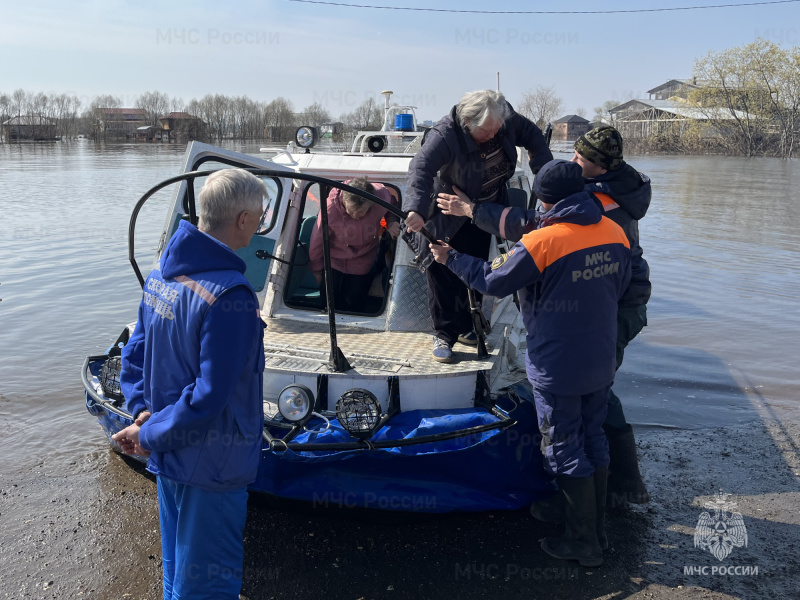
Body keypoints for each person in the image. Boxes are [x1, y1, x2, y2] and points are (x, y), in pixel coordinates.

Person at [430, 159, 631, 567]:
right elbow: (625, 283)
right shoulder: (614, 231)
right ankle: (596, 529)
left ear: (545, 198)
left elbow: (493, 280)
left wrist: (451, 258)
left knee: (563, 445)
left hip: (558, 363)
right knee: (593, 436)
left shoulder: (544, 241)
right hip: (600, 357)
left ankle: (583, 542)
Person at [437, 125, 652, 505]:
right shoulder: (610, 204)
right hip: (611, 311)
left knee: (573, 423)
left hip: (604, 319)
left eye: (581, 158)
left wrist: (458, 240)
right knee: (595, 402)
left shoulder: (590, 215)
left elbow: (508, 259)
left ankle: (605, 501)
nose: (574, 160)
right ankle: (604, 505)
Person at [112, 168, 267, 599]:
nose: (260, 222)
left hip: (170, 450)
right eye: (260, 214)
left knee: (179, 567)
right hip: (214, 460)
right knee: (208, 582)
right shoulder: (231, 294)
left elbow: (135, 352)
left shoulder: (162, 273)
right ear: (242, 219)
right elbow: (210, 393)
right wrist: (148, 434)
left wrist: (143, 416)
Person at [403, 89, 552, 363]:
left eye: (497, 129)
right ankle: (445, 334)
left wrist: (545, 179)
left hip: (484, 209)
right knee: (443, 270)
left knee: (476, 266)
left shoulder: (503, 118)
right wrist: (416, 210)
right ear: (467, 122)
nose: (494, 135)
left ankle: (468, 325)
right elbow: (420, 168)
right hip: (447, 211)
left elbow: (533, 136)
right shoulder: (444, 134)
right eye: (486, 130)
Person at [308, 177, 400, 312]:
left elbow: (393, 206)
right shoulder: (330, 209)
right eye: (351, 211)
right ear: (344, 201)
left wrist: (391, 221)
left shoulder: (382, 196)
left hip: (364, 259)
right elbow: (317, 240)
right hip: (334, 260)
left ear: (371, 204)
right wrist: (316, 269)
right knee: (328, 302)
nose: (356, 216)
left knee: (355, 303)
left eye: (361, 212)